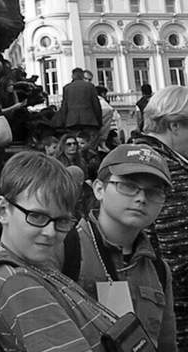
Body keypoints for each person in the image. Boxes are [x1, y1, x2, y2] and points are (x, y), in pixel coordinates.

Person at [0, 152, 118, 350]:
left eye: (62, 221)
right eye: (37, 216)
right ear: (3, 210)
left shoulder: (34, 266)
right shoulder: (17, 282)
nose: (50, 232)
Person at [72, 143, 176, 350]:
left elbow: (166, 344)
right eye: (128, 186)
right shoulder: (66, 249)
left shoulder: (158, 270)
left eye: (154, 192)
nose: (141, 198)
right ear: (99, 189)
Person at [132, 85, 188, 347]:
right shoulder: (168, 172)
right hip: (176, 307)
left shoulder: (136, 157)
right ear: (175, 125)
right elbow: (179, 249)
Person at [59, 67, 102, 136]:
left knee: (75, 141)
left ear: (72, 76)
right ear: (82, 76)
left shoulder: (67, 88)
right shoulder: (90, 86)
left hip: (72, 121)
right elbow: (96, 105)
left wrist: (64, 121)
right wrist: (99, 121)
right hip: (89, 120)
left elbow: (64, 107)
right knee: (89, 141)